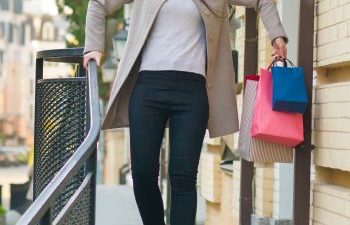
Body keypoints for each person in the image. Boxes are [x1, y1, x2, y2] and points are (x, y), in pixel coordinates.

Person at [83, 0, 288, 224]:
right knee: (142, 173)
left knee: (183, 177)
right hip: (148, 88)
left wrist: (276, 34)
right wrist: (94, 47)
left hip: (191, 92)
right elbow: (98, 4)